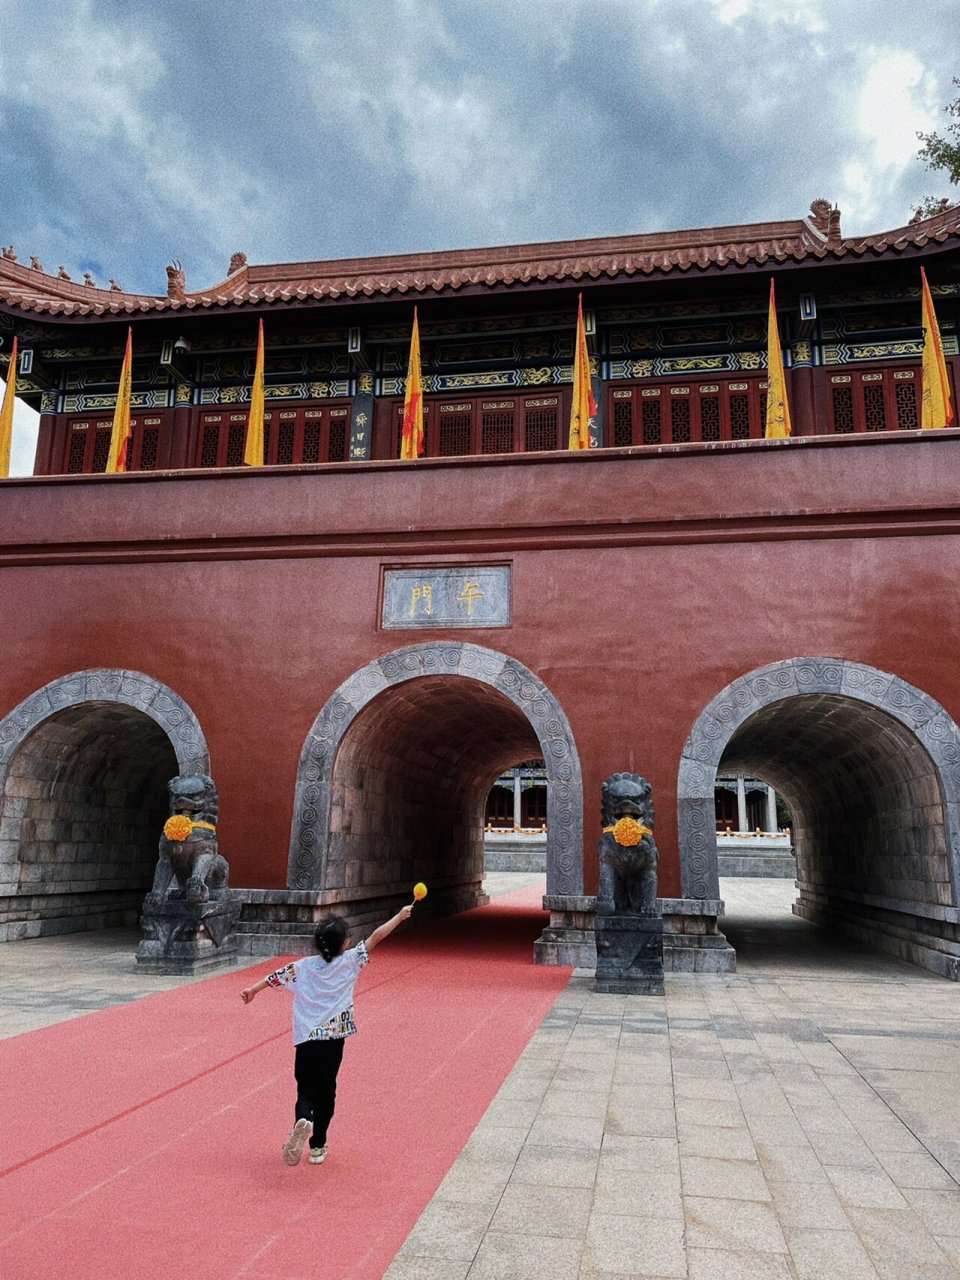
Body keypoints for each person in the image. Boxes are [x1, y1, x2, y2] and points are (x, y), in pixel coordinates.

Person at [241, 903, 413, 1166]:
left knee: (305, 1089)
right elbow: (377, 936)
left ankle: (303, 1117)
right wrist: (400, 917)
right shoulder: (351, 962)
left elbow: (276, 977)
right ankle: (318, 1145)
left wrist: (253, 990)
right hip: (333, 1040)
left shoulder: (303, 967)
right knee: (327, 1091)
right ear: (344, 943)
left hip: (306, 1039)